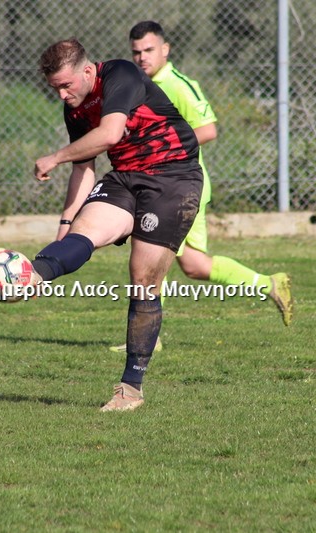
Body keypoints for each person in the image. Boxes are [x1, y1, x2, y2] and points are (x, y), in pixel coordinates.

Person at [29, 39, 203, 411]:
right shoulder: (75, 109)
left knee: (142, 279)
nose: (62, 95)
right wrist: (61, 234)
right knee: (83, 233)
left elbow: (109, 133)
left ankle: (130, 390)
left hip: (174, 178)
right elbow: (83, 169)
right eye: (55, 88)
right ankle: (29, 276)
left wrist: (54, 157)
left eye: (66, 85)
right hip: (126, 177)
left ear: (87, 71)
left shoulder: (121, 73)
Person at [108, 20, 293, 355]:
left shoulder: (177, 84)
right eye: (136, 52)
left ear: (165, 49)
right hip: (165, 184)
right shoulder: (139, 85)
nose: (142, 57)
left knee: (152, 257)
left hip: (179, 186)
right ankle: (269, 284)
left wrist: (157, 146)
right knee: (192, 264)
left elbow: (208, 129)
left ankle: (148, 336)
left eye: (149, 50)